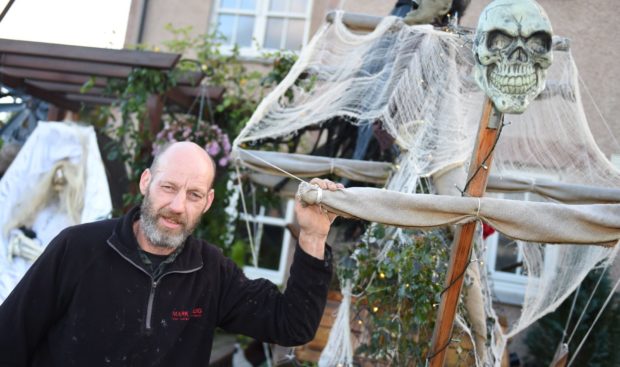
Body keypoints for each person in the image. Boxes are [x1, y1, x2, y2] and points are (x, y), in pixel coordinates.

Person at [0, 141, 343, 366]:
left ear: (207, 203)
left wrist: (312, 235)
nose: (178, 206)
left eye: (194, 195)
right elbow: (10, 337)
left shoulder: (211, 272)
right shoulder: (76, 248)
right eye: (168, 187)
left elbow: (291, 325)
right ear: (146, 182)